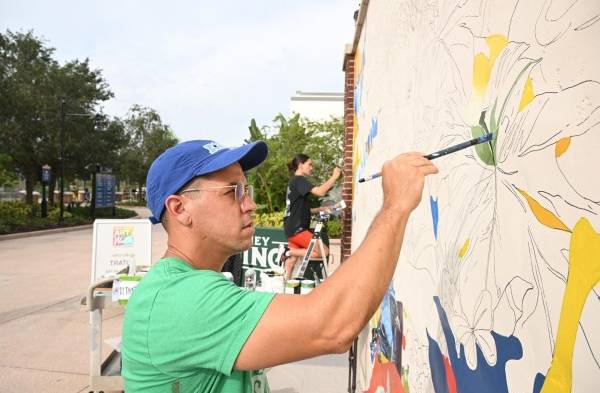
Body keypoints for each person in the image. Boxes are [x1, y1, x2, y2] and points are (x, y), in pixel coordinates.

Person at [121, 139, 438, 392]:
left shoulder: (190, 284)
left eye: (247, 189)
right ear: (180, 208)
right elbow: (332, 326)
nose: (250, 203)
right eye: (234, 192)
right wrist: (396, 205)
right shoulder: (179, 300)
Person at [281, 154, 341, 279]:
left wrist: (319, 209)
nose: (311, 167)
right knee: (324, 252)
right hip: (298, 229)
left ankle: (286, 289)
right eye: (309, 164)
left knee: (291, 263)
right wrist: (334, 176)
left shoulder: (293, 182)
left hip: (291, 228)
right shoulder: (299, 180)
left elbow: (298, 208)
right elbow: (320, 192)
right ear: (300, 165)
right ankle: (287, 251)